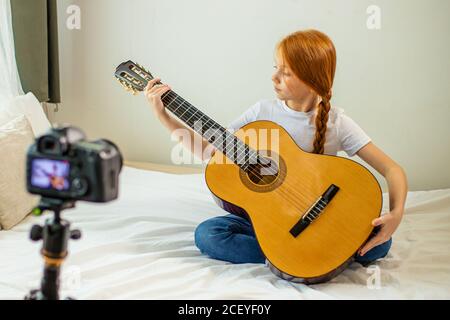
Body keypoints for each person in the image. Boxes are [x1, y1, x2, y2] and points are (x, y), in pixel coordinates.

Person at [144, 29, 408, 268]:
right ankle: (300, 255)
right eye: (275, 68)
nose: (274, 77)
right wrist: (164, 117)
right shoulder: (262, 112)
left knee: (381, 242)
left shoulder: (337, 122)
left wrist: (396, 214)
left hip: (322, 213)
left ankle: (304, 255)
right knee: (208, 235)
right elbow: (209, 152)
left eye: (286, 72)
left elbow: (392, 169)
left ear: (312, 79)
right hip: (270, 221)